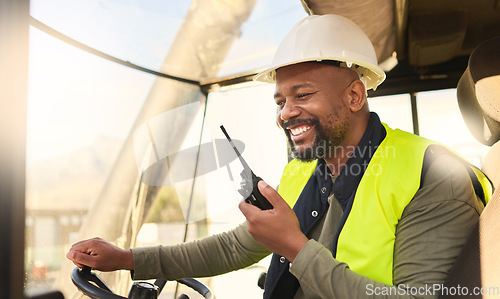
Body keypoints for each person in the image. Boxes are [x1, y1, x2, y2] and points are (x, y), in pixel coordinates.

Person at [66, 14, 492, 298]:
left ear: (355, 94)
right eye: (279, 102)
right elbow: (237, 246)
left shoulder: (434, 175)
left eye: (302, 95)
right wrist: (130, 259)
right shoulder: (304, 168)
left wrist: (295, 247)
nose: (286, 114)